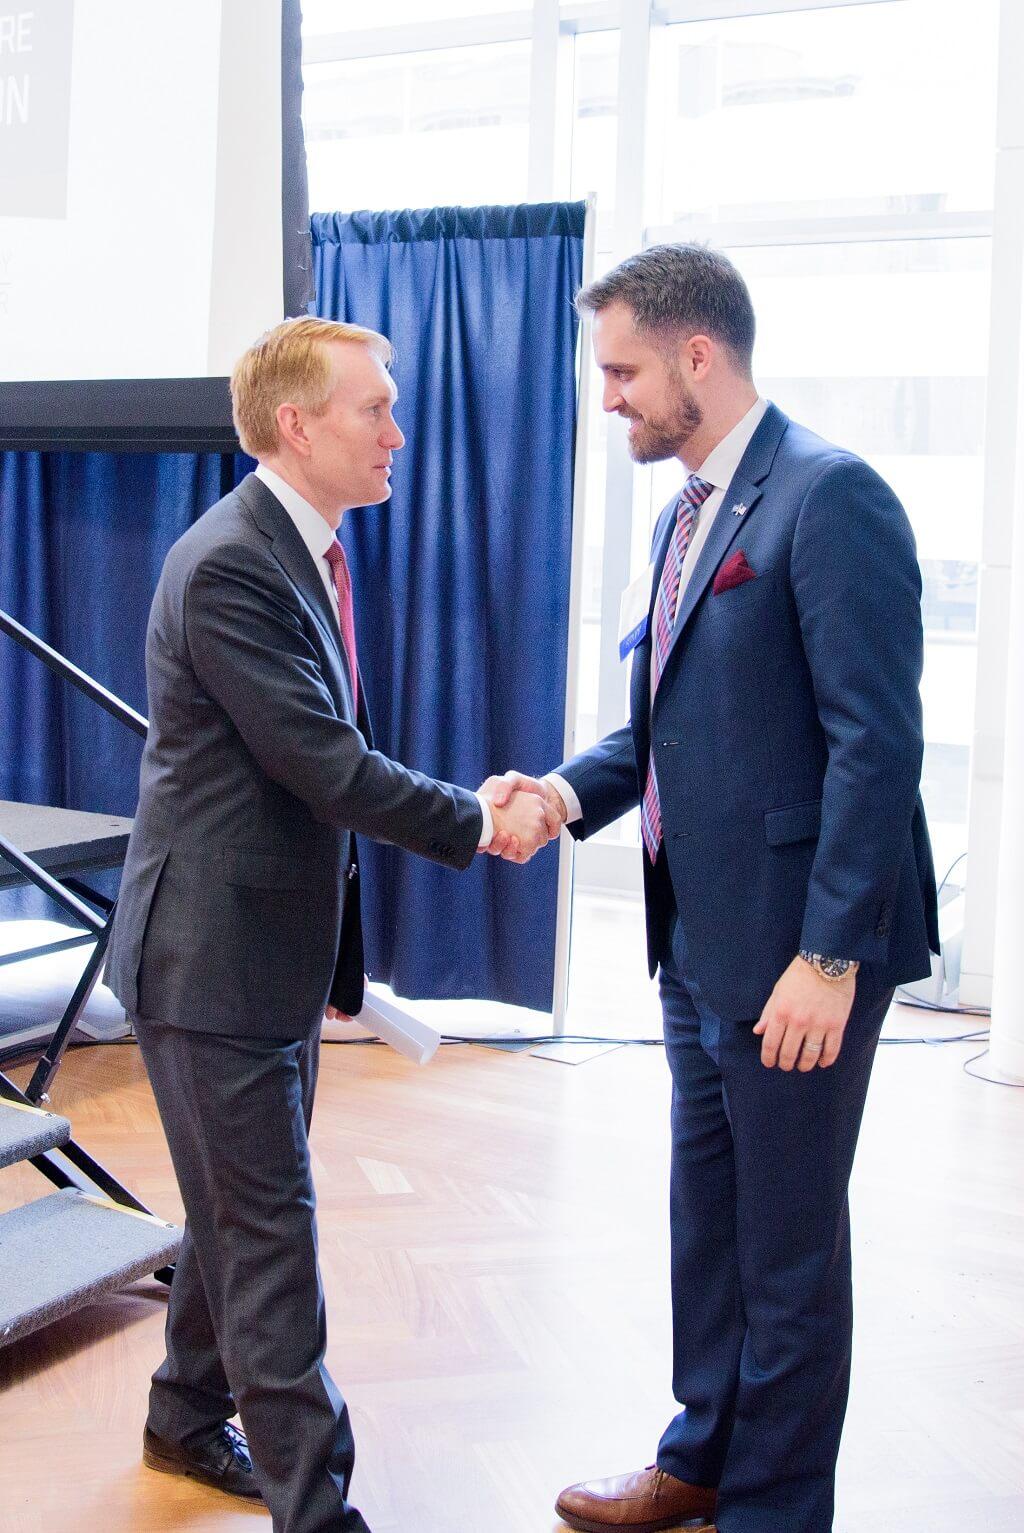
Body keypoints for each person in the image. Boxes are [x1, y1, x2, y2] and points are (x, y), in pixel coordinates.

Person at [489, 244, 940, 1533]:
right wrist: (563, 796)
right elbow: (663, 726)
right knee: (711, 1220)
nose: (610, 397)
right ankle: (701, 1457)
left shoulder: (830, 495)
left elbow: (876, 743)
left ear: (699, 355)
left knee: (789, 1249)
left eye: (623, 370)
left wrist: (832, 957)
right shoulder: (685, 512)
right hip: (696, 944)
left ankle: (776, 1510)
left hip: (801, 957)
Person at [104, 316, 555, 1533]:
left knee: (234, 1208)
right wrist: (478, 818)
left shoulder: (297, 547)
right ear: (297, 426)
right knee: (268, 1236)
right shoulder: (234, 564)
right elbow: (323, 762)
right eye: (375, 411)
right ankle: (320, 1513)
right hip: (208, 962)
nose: (397, 433)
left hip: (260, 953)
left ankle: (185, 1418)